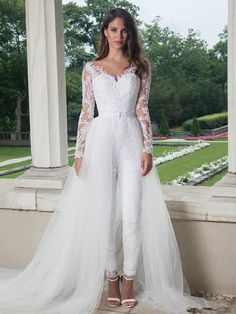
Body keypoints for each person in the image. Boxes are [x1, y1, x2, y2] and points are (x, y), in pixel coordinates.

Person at [0, 7, 221, 314]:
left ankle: (129, 279)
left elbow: (143, 110)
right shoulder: (91, 68)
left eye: (125, 30)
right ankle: (111, 278)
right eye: (114, 29)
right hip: (99, 141)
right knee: (103, 215)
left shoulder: (141, 67)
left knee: (132, 215)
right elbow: (86, 113)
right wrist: (79, 153)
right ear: (105, 32)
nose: (119, 35)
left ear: (130, 34)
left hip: (131, 138)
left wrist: (148, 150)